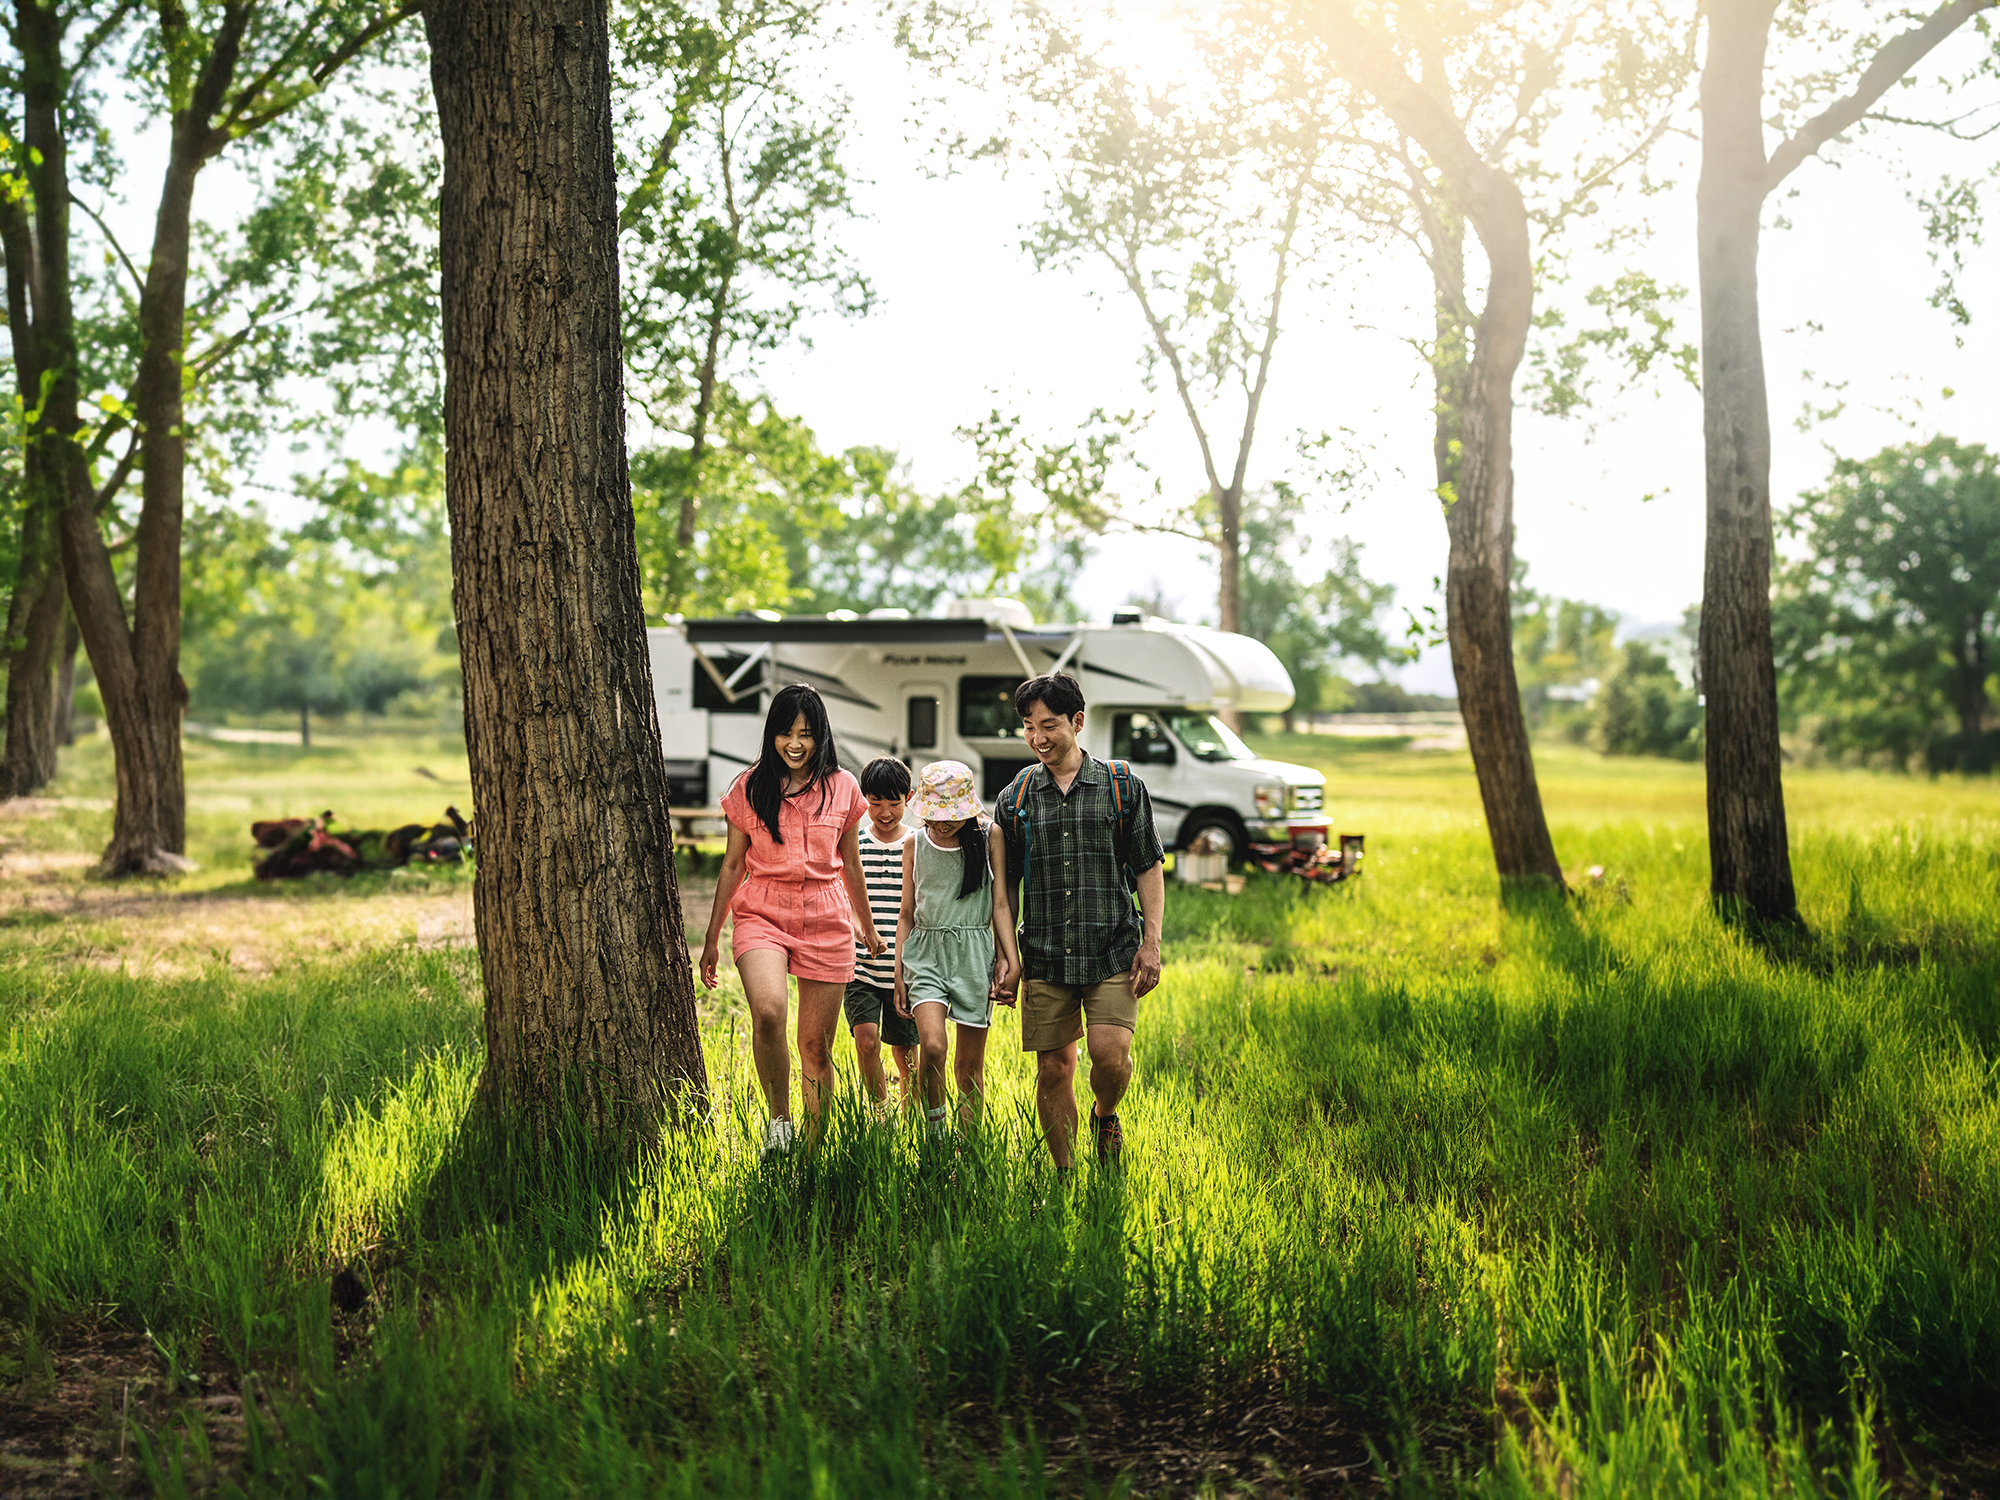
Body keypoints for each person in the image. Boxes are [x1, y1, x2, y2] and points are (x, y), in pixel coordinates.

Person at [701, 684, 884, 1160]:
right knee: (767, 1013)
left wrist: (866, 926)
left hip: (826, 918)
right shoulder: (748, 787)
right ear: (772, 735)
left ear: (820, 734)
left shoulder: (843, 787)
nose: (795, 744)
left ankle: (813, 1152)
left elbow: (852, 864)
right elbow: (731, 865)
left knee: (815, 1048)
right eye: (785, 734)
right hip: (762, 912)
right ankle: (780, 1126)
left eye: (805, 733)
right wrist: (711, 939)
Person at [991, 672, 1164, 1170]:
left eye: (1049, 724)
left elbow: (1149, 865)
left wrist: (1150, 943)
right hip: (1045, 955)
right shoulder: (1015, 799)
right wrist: (1008, 957)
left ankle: (1105, 1115)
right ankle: (1067, 1176)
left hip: (1112, 947)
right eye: (1028, 726)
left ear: (1078, 722)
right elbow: (1005, 890)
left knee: (1111, 1057)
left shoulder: (1121, 785)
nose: (1038, 737)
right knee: (1052, 1070)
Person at [894, 761, 1020, 1137]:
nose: (944, 823)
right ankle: (934, 1129)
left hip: (973, 953)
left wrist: (1010, 958)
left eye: (953, 815)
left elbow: (1000, 902)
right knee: (932, 1046)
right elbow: (906, 913)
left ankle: (969, 1148)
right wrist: (899, 973)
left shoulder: (989, 836)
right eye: (936, 815)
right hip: (926, 953)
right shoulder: (915, 843)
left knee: (969, 1066)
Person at [847, 757, 920, 1111]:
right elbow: (842, 896)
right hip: (859, 967)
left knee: (906, 1050)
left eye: (894, 803)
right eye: (875, 803)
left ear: (909, 797)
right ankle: (878, 1112)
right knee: (866, 1040)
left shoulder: (919, 845)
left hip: (904, 971)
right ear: (863, 800)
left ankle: (912, 1114)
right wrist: (857, 927)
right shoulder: (854, 845)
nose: (885, 812)